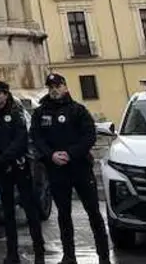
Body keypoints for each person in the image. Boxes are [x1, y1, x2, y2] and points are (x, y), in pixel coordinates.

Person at [31, 73, 111, 264]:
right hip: (57, 170)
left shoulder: (78, 110)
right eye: (51, 87)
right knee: (63, 215)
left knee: (93, 212)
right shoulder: (41, 113)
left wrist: (71, 153)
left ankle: (104, 256)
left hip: (80, 168)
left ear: (65, 87)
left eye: (58, 86)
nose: (54, 90)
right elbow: (36, 137)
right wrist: (51, 155)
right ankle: (68, 256)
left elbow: (89, 135)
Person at [0, 81, 44, 264]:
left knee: (30, 209)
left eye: (0, 92)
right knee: (7, 212)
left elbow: (21, 138)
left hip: (18, 165)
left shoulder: (16, 110)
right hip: (0, 167)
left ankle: (39, 251)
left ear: (6, 94)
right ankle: (12, 252)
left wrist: (5, 157)